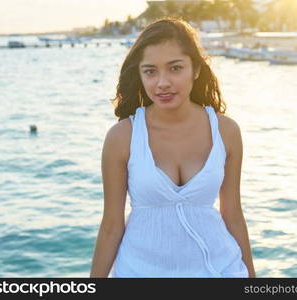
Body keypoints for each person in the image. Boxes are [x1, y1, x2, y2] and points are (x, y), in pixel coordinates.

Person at [90, 16, 256, 278]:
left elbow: (232, 213)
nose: (162, 82)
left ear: (196, 70)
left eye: (175, 68)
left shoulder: (226, 131)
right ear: (140, 75)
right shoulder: (122, 137)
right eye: (150, 71)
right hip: (139, 273)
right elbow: (111, 224)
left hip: (219, 270)